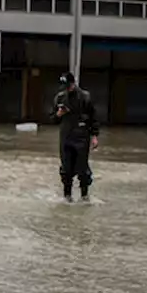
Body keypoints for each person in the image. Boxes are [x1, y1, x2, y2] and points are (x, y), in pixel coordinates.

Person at [50, 72, 99, 202]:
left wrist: (94, 136)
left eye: (68, 85)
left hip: (82, 137)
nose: (66, 88)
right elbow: (52, 119)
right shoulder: (60, 98)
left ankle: (84, 196)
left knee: (82, 168)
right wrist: (59, 114)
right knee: (66, 168)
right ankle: (67, 196)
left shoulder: (85, 97)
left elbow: (94, 118)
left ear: (73, 84)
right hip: (66, 137)